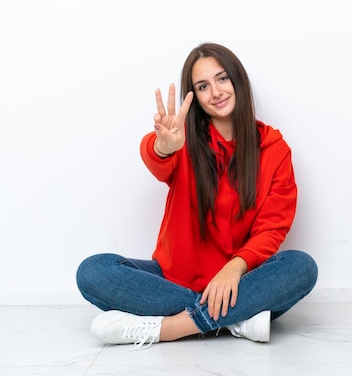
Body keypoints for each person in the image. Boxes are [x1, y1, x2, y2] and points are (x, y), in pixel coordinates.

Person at [76, 42, 318, 349]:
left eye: (222, 79)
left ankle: (174, 327)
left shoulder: (274, 149)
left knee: (302, 266)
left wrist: (235, 267)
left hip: (238, 283)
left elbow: (273, 228)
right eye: (203, 86)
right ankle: (237, 320)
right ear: (196, 97)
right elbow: (155, 154)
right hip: (172, 280)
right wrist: (165, 146)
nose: (215, 92)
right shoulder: (183, 141)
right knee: (93, 271)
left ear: (237, 80)